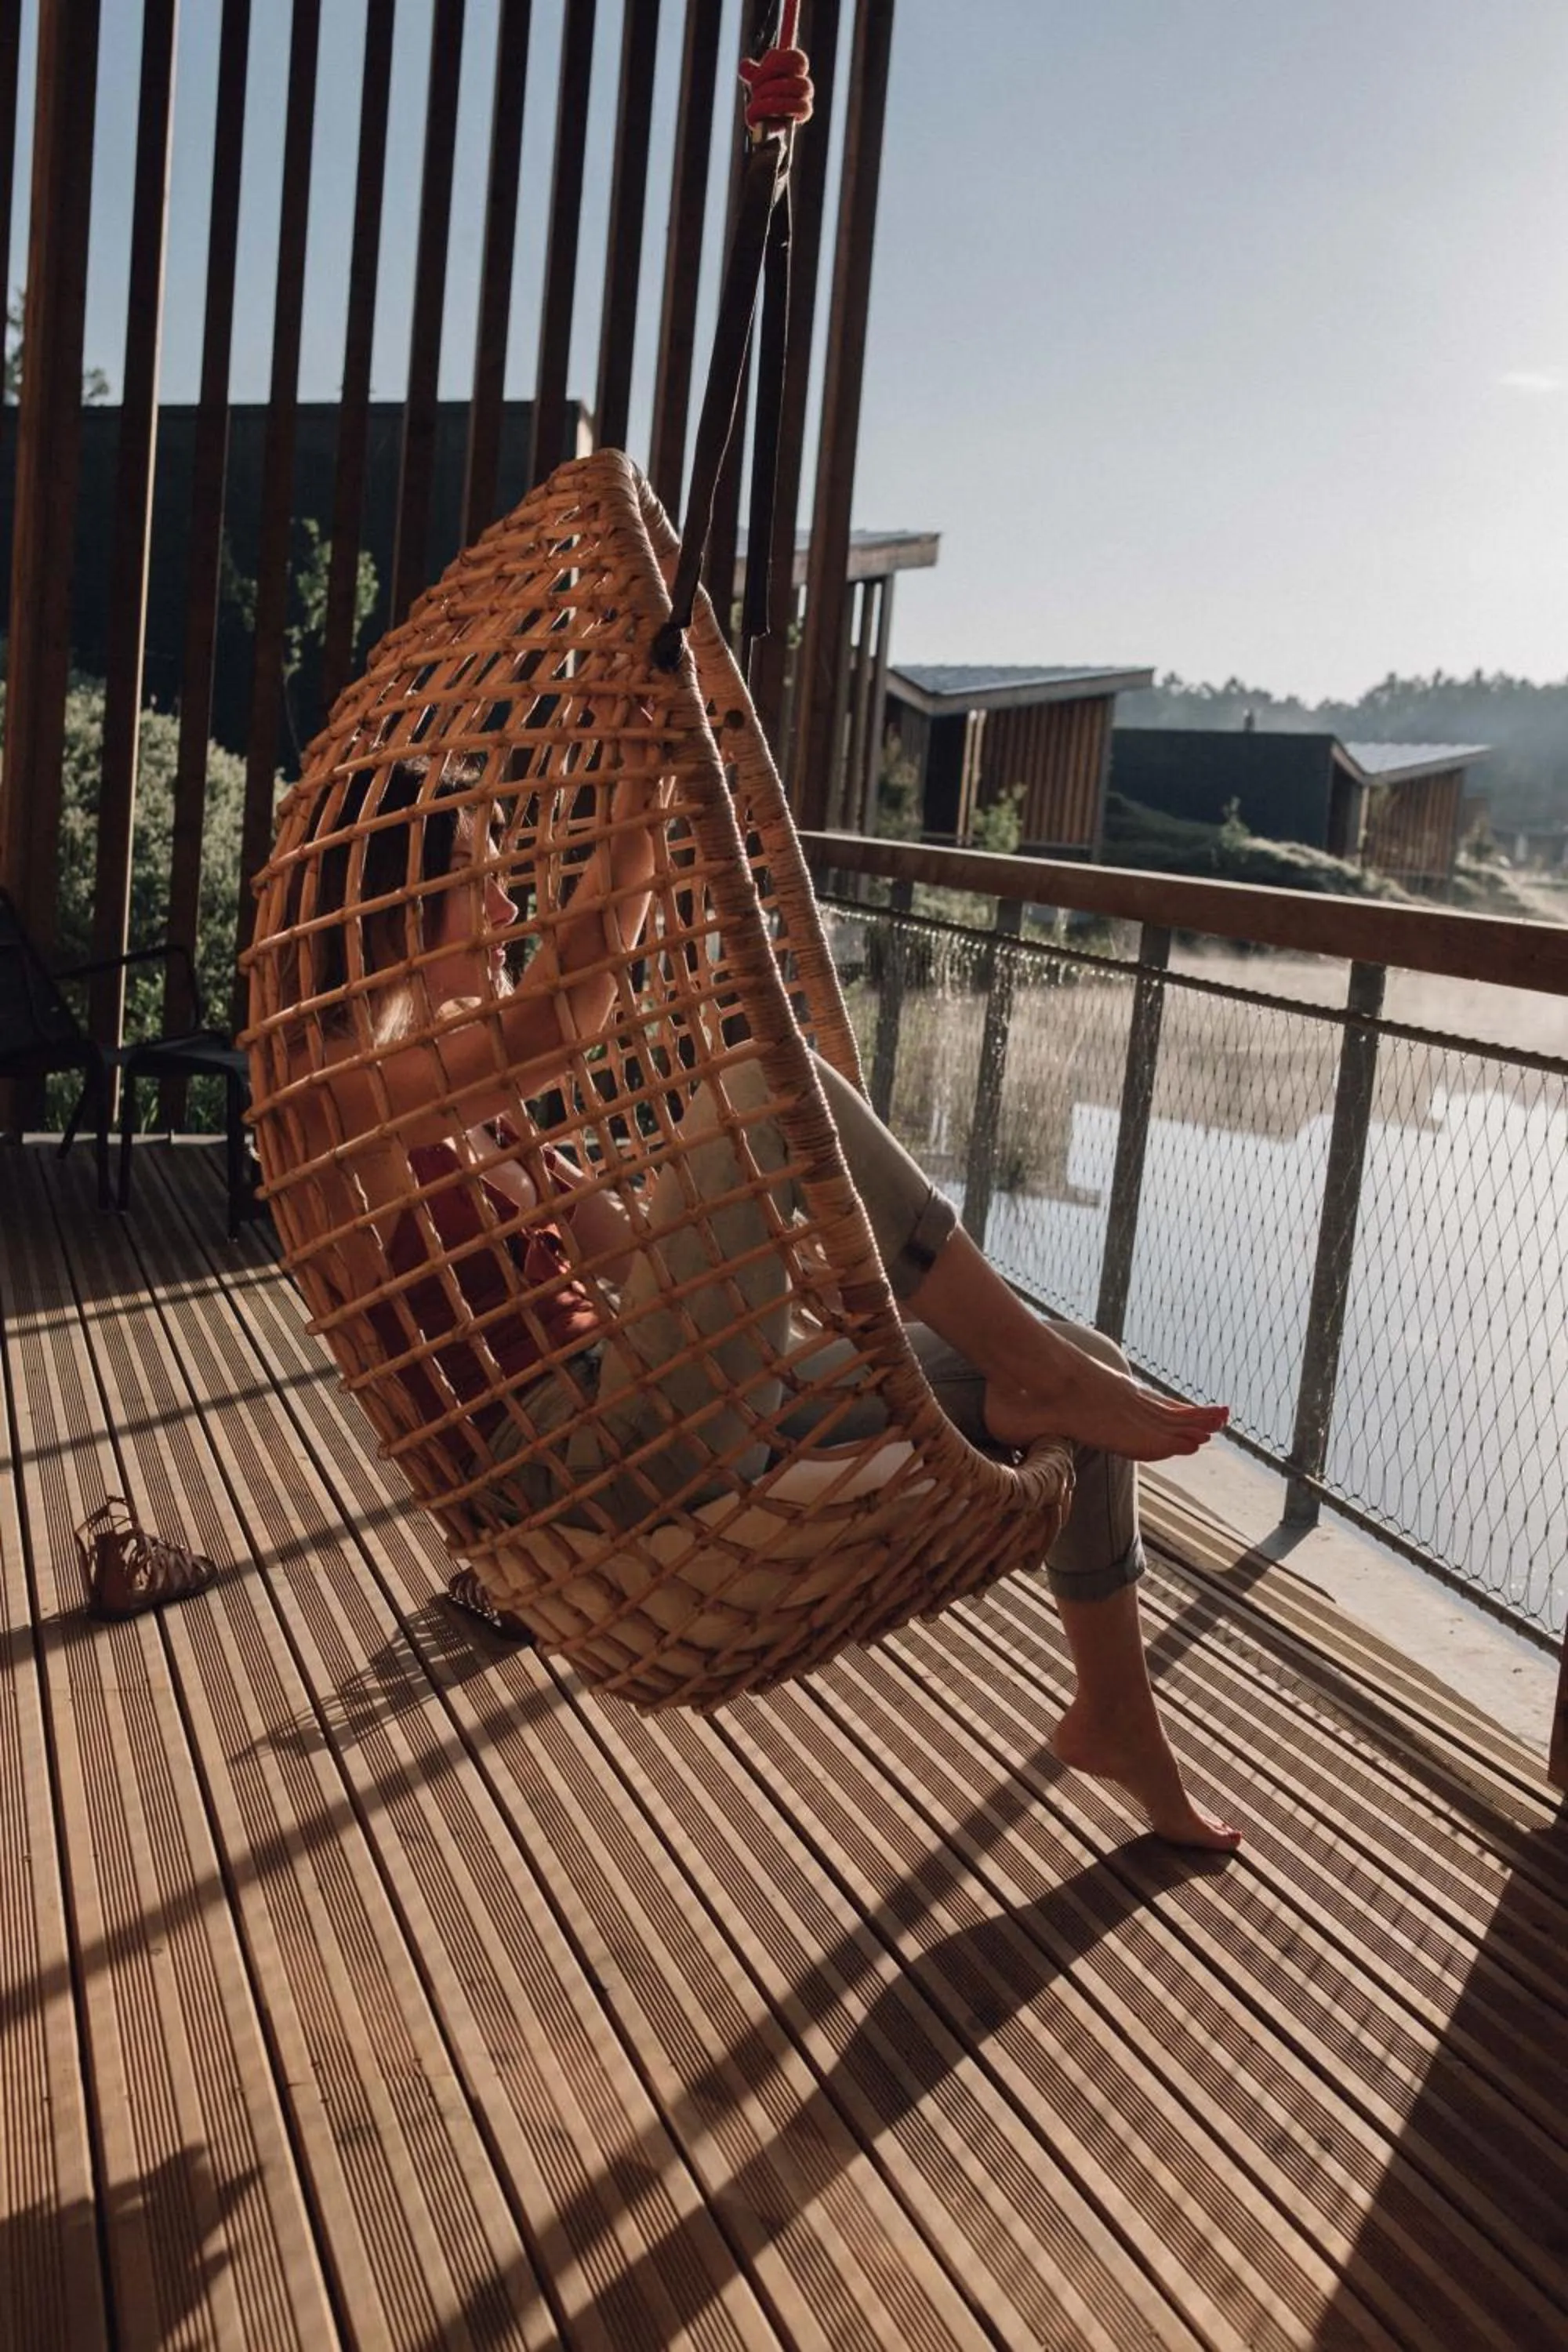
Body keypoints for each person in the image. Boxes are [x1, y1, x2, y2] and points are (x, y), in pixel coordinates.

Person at [282, 752, 1240, 1851]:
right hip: (573, 1458)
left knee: (1087, 1360)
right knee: (767, 1081)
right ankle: (1035, 1375)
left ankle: (1118, 1716)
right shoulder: (331, 1094)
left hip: (670, 1399)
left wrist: (786, 1252)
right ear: (384, 901)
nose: (508, 908)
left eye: (507, 879)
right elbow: (551, 1031)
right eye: (472, 878)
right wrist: (635, 823)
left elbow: (638, 1248)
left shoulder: (492, 1121)